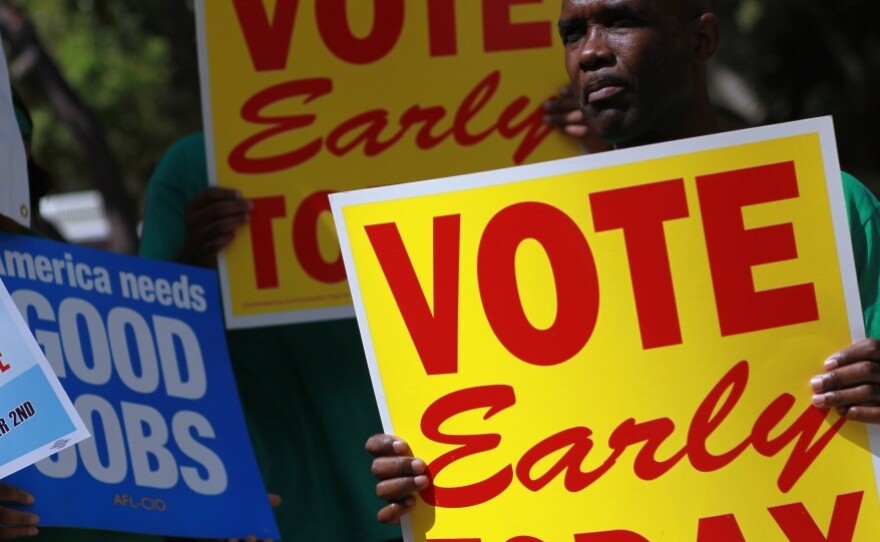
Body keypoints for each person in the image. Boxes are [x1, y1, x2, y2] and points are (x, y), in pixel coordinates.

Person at [366, 0, 880, 525]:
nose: (589, 52)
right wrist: (430, 477)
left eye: (619, 22)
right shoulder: (513, 257)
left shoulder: (827, 202)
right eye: (571, 34)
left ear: (701, 41)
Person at [139, 132, 403, 542]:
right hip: (285, 509)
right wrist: (194, 255)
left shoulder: (441, 132)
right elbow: (149, 342)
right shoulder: (194, 167)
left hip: (429, 484)